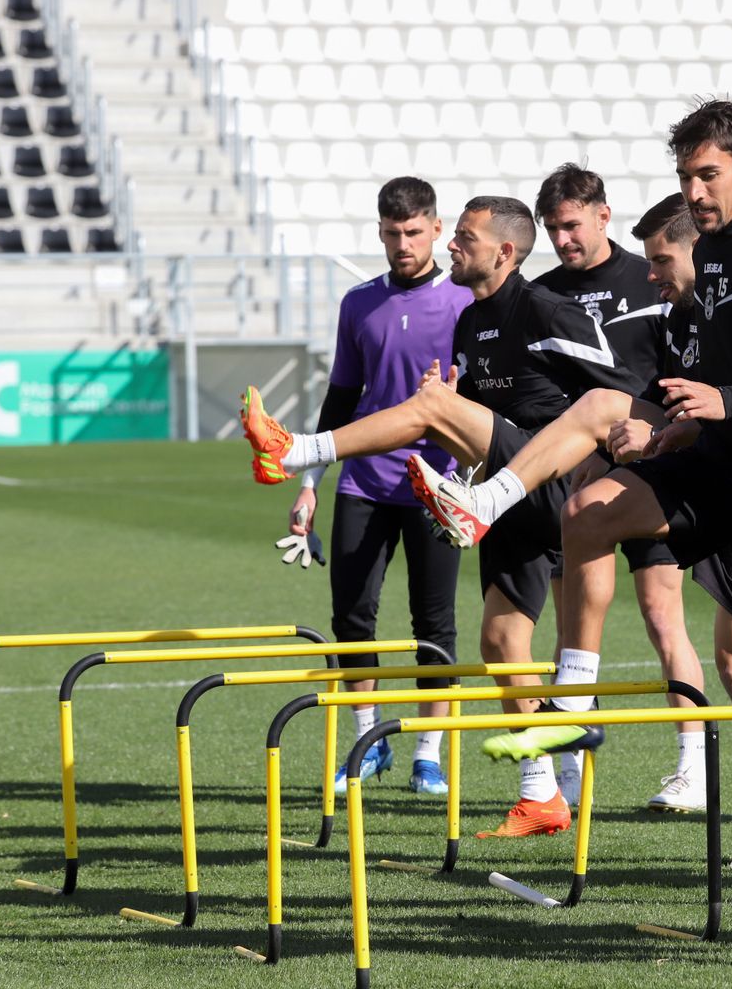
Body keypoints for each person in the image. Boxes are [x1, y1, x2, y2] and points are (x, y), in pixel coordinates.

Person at [445, 100, 732, 900]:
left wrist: (714, 408)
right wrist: (664, 434)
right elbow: (676, 405)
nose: (655, 279)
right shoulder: (683, 314)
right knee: (588, 506)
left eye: (664, 264)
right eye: (686, 177)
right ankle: (574, 700)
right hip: (719, 478)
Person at [241, 195, 641, 838]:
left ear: (504, 252)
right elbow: (471, 428)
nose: (452, 246)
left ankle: (298, 451)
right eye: (453, 236)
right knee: (501, 644)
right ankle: (541, 797)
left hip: (548, 477)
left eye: (464, 237)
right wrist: (456, 454)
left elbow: (620, 392)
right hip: (505, 493)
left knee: (429, 405)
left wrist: (605, 463)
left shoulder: (543, 308)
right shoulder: (470, 322)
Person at [274, 177, 467, 794]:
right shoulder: (358, 303)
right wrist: (311, 484)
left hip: (438, 484)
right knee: (352, 618)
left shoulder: (466, 300)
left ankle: (428, 757)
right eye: (392, 233)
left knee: (434, 626)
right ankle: (368, 739)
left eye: (414, 232)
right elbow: (340, 398)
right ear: (380, 232)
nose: (403, 243)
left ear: (437, 228)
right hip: (363, 483)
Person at [531, 164, 709, 813]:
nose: (563, 239)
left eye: (572, 224)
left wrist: (638, 443)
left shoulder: (654, 273)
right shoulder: (541, 292)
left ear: (603, 216)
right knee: (573, 620)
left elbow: (667, 380)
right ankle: (569, 781)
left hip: (652, 461)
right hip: (578, 471)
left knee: (664, 614)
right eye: (552, 228)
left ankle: (693, 766)